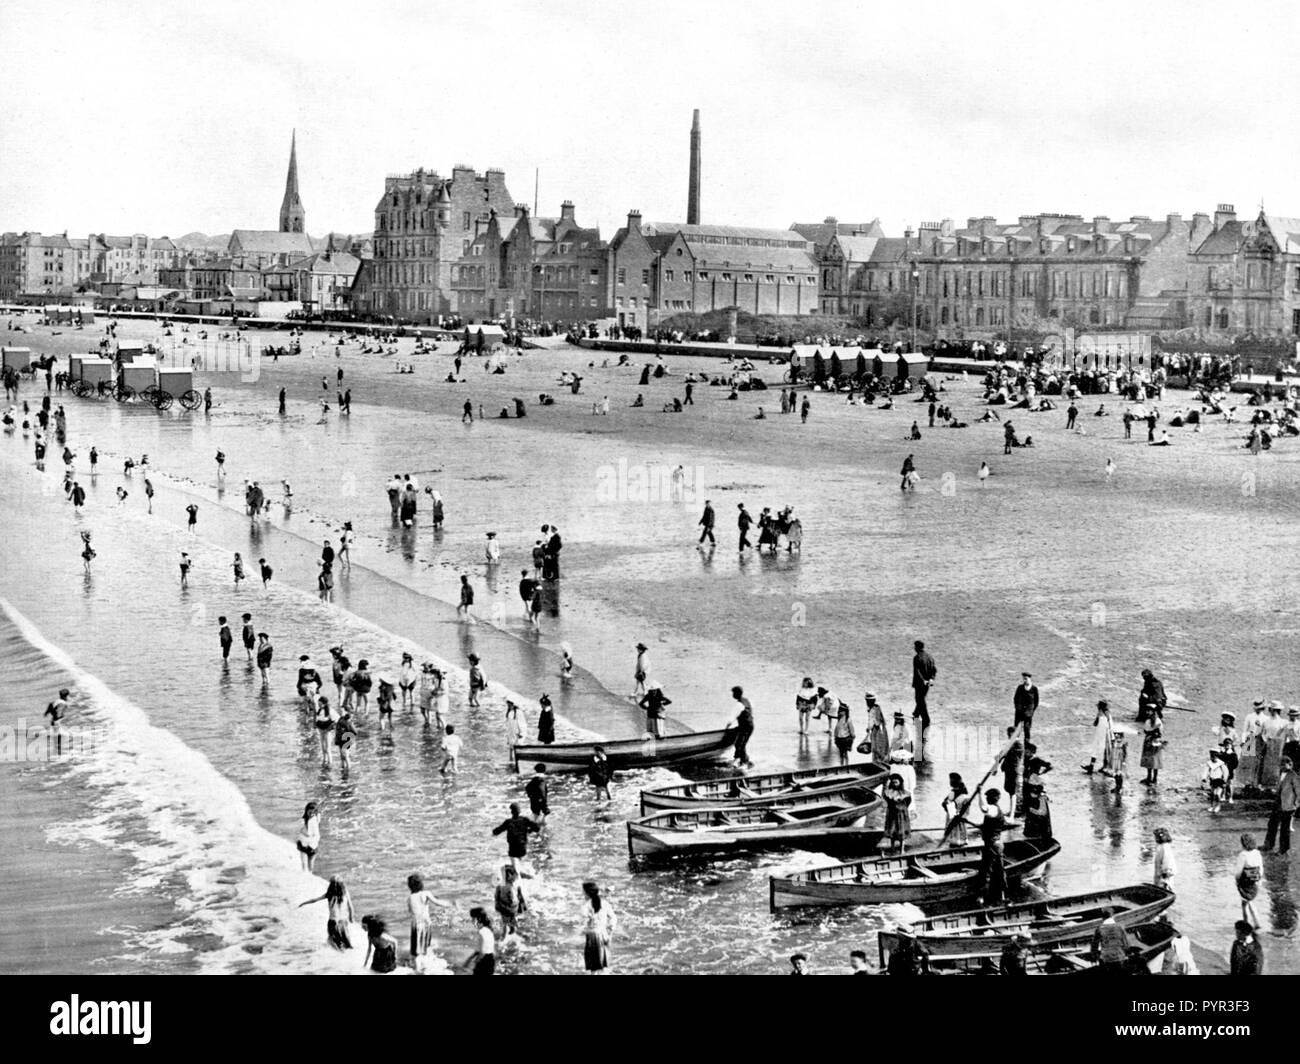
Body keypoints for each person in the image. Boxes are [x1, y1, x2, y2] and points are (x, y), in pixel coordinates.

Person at [406, 873, 450, 972]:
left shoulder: (410, 898)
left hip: (415, 925)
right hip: (425, 925)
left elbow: (411, 911)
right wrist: (449, 904)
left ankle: (416, 968)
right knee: (425, 948)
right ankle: (424, 969)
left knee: (415, 952)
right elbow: (437, 902)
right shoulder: (425, 893)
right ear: (421, 884)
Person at [299, 876, 355, 950]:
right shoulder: (345, 893)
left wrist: (303, 903)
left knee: (332, 942)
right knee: (347, 943)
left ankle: (336, 956)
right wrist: (351, 918)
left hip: (333, 922)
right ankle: (347, 957)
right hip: (343, 922)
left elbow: (315, 900)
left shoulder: (329, 894)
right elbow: (351, 907)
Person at [976, 788, 1010, 905]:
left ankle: (982, 897)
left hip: (992, 846)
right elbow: (991, 825)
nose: (986, 799)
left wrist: (979, 793)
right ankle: (1002, 896)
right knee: (999, 871)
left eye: (987, 797)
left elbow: (983, 808)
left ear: (993, 798)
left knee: (986, 871)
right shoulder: (997, 810)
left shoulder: (993, 809)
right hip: (997, 845)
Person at [1263, 756, 1299, 854]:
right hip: (1278, 803)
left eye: (1284, 764)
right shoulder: (1281, 774)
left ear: (1290, 764)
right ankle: (1268, 845)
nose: (1282, 766)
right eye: (1281, 765)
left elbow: (1298, 792)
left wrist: (1295, 805)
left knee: (1284, 828)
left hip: (1288, 805)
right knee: (1272, 824)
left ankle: (1283, 849)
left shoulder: (1293, 776)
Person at [492, 802, 540, 874]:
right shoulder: (524, 820)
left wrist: (493, 833)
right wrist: (529, 831)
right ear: (519, 811)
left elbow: (497, 831)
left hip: (513, 848)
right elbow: (537, 828)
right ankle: (523, 874)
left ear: (511, 812)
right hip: (522, 847)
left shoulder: (508, 822)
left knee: (513, 862)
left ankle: (517, 878)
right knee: (518, 861)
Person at [581, 881, 616, 974]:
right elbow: (613, 919)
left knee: (594, 969)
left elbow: (585, 924)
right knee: (603, 967)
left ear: (587, 893)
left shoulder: (586, 906)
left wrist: (583, 931)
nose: (582, 894)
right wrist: (610, 934)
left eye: (583, 892)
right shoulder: (605, 903)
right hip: (604, 935)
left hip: (592, 937)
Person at [911, 640, 936, 757]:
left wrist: (923, 681)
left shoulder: (917, 658)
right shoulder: (930, 657)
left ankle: (926, 719)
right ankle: (916, 713)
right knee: (921, 699)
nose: (914, 648)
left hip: (920, 683)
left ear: (917, 647)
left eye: (915, 646)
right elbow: (934, 669)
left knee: (920, 700)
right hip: (927, 684)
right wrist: (931, 679)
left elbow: (917, 672)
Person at [1234, 833, 1263, 928]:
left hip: (1245, 882)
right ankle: (1256, 922)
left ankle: (1247, 923)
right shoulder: (1257, 853)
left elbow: (1238, 871)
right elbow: (1261, 869)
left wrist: (1237, 880)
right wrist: (1259, 879)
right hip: (1255, 881)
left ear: (1243, 843)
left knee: (1245, 903)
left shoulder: (1243, 855)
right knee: (1250, 900)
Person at [495, 865, 527, 940]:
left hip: (503, 908)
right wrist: (522, 908)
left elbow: (497, 897)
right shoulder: (513, 887)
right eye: (514, 876)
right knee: (512, 923)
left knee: (505, 923)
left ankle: (504, 936)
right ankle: (517, 935)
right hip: (510, 909)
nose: (516, 878)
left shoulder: (500, 886)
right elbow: (518, 898)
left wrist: (498, 906)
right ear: (509, 876)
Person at [882, 772, 912, 851]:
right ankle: (892, 847)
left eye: (896, 782)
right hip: (892, 814)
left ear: (900, 783)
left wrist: (902, 807)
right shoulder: (889, 792)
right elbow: (886, 798)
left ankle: (902, 849)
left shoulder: (905, 793)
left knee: (901, 831)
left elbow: (908, 801)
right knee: (892, 831)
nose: (895, 784)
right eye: (893, 782)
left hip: (901, 814)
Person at [1083, 699, 1114, 774]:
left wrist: (1097, 717)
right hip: (1106, 735)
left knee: (1096, 750)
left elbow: (1095, 724)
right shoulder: (1108, 714)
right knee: (1106, 751)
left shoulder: (1100, 714)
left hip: (1100, 735)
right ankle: (1105, 766)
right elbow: (1110, 726)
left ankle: (1092, 766)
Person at [464, 908, 496, 975]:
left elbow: (482, 952)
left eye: (473, 919)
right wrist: (469, 959)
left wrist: (475, 962)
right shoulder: (488, 930)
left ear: (478, 919)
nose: (472, 921)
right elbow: (481, 950)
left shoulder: (482, 932)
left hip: (484, 961)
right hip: (491, 959)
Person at [730, 686, 755, 768]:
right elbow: (751, 711)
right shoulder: (747, 701)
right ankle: (743, 761)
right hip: (750, 725)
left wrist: (727, 727)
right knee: (741, 744)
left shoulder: (739, 704)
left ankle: (744, 762)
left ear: (736, 694)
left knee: (739, 744)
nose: (732, 695)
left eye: (733, 693)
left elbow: (732, 718)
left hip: (745, 727)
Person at [1141, 707, 1164, 786]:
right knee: (1152, 759)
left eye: (1149, 711)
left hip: (1152, 741)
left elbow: (1148, 730)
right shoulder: (1151, 721)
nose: (1148, 712)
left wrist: (1151, 731)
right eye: (1147, 710)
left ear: (1153, 712)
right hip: (1152, 741)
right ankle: (1151, 777)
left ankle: (1153, 778)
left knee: (1153, 759)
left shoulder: (1155, 721)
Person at [1013, 672, 1039, 743]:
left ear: (1030, 679)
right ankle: (1015, 742)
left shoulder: (1034, 689)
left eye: (1026, 679)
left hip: (1028, 713)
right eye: (1023, 679)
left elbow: (1036, 701)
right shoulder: (1020, 688)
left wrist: (1031, 711)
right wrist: (1017, 708)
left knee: (1027, 729)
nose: (1024, 681)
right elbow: (1015, 698)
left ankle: (1027, 744)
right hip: (1019, 712)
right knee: (1017, 728)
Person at [43, 689, 69, 755]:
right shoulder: (63, 703)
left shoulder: (56, 701)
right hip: (57, 721)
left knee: (55, 734)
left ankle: (55, 749)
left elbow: (50, 705)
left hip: (54, 721)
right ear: (66, 696)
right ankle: (59, 752)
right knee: (58, 736)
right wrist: (58, 717)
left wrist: (46, 712)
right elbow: (59, 712)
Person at [297, 802, 321, 872]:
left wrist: (317, 810)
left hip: (313, 846)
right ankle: (305, 874)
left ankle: (310, 875)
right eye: (310, 812)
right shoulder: (303, 821)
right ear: (306, 811)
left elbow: (319, 814)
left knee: (311, 865)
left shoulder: (316, 820)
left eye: (313, 813)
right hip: (303, 844)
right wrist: (304, 833)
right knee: (304, 864)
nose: (311, 815)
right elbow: (300, 830)